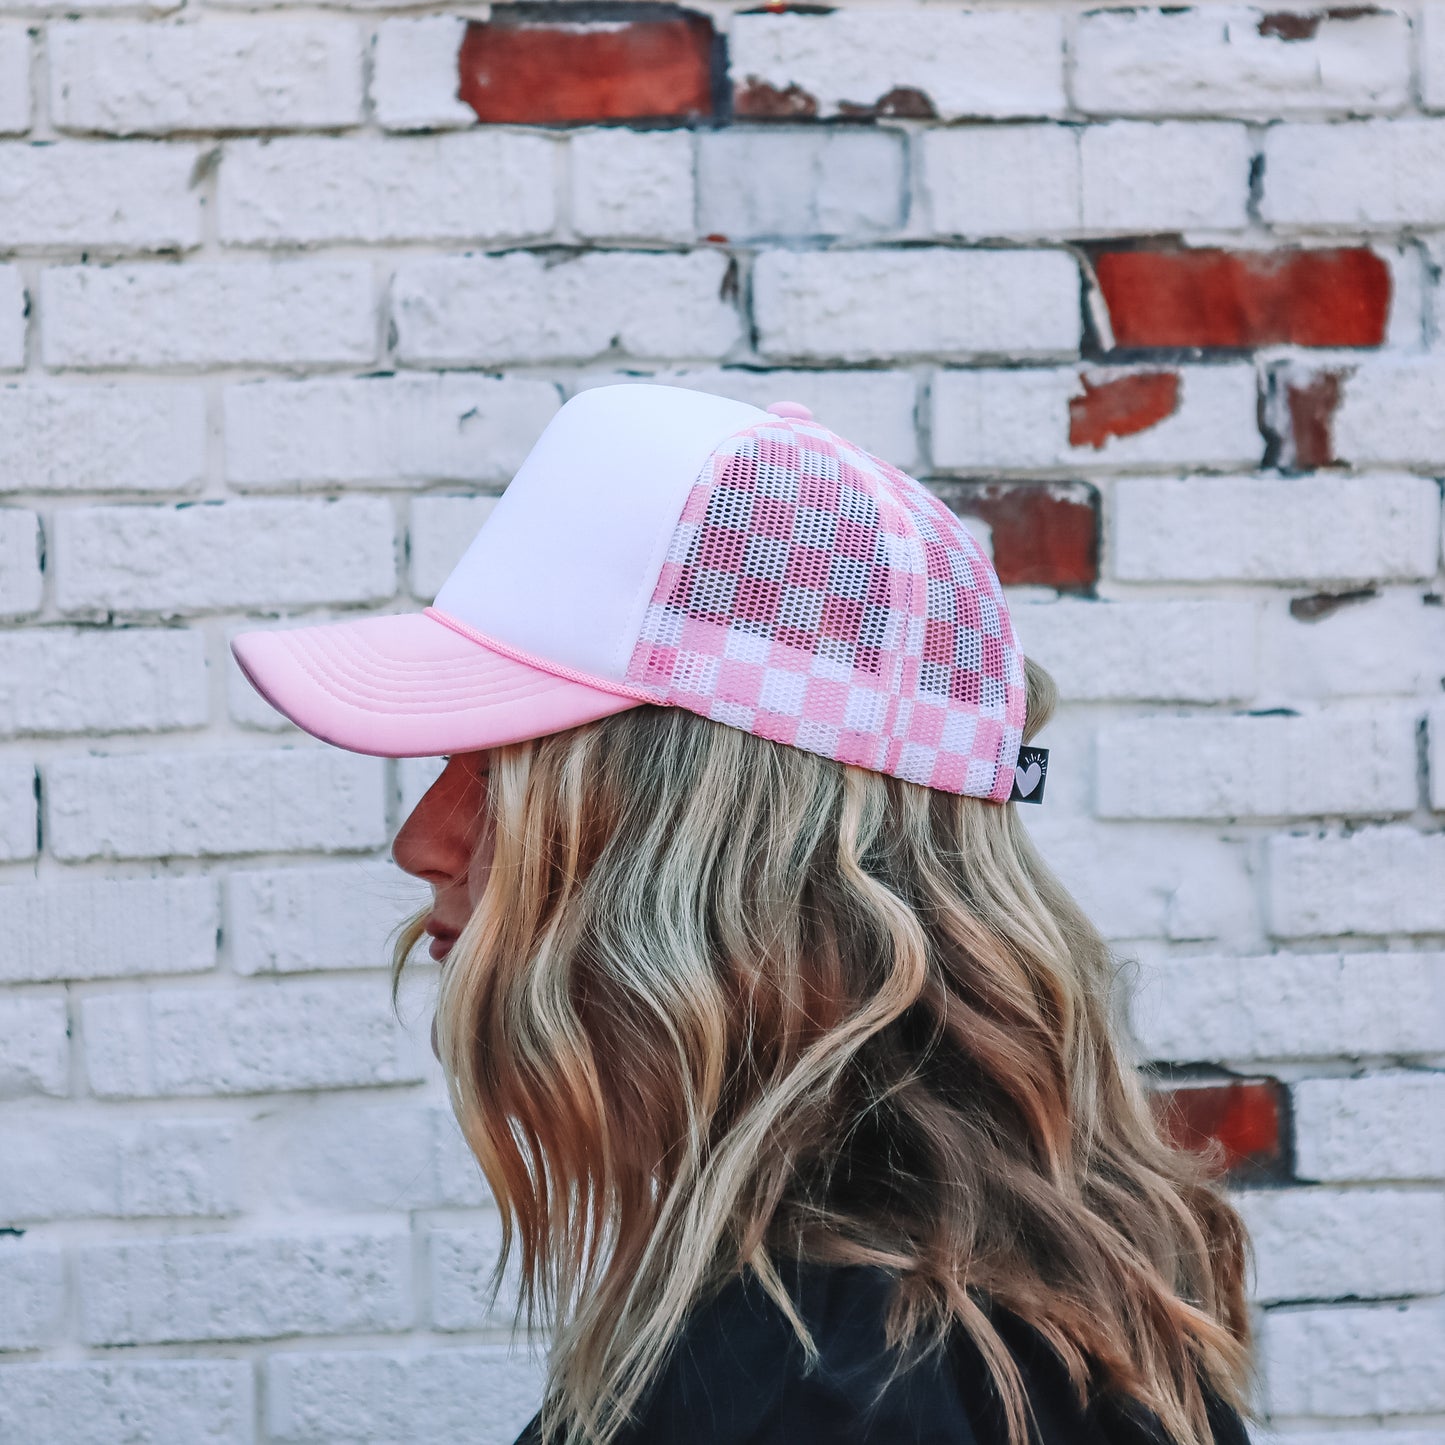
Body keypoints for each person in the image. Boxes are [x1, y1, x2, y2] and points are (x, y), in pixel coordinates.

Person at [233, 385, 1252, 1445]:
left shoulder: (836, 1381)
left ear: (715, 852)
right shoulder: (936, 1320)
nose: (423, 840)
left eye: (502, 769)